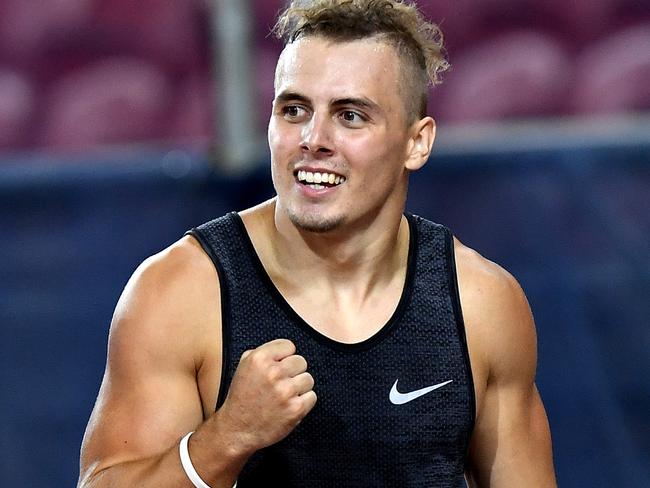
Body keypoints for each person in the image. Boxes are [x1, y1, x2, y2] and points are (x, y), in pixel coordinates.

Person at [78, 0, 557, 486]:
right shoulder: (180, 292)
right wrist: (224, 439)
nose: (313, 138)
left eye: (350, 116)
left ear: (417, 142)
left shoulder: (479, 304)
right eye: (294, 109)